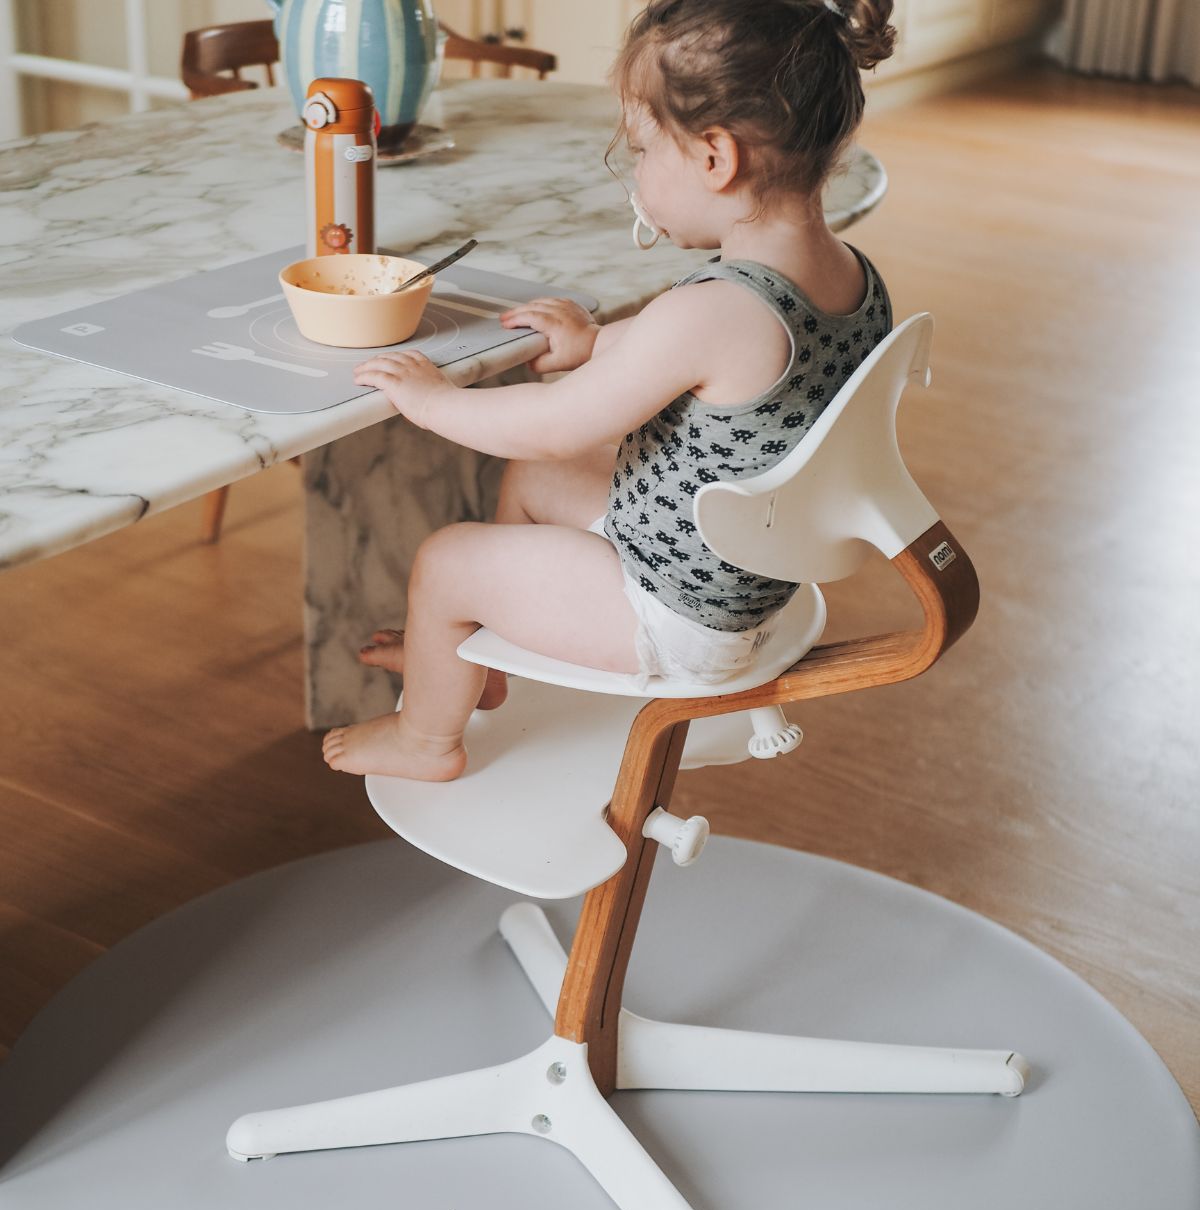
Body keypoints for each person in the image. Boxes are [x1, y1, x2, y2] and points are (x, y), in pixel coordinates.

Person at [323, 0, 897, 782]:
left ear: (714, 159)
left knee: (446, 560)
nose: (635, 172)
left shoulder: (715, 308)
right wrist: (596, 343)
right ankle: (480, 658)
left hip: (674, 612)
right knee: (534, 483)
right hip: (745, 574)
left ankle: (425, 740)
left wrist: (432, 401)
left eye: (640, 150)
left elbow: (560, 423)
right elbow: (717, 362)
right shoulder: (853, 278)